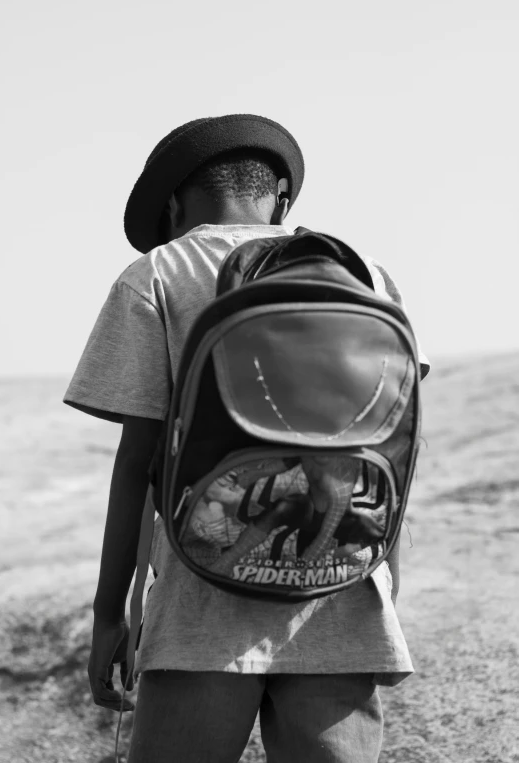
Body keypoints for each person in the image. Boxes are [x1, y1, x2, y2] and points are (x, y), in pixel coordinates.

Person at [64, 114, 430, 763]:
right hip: (340, 593)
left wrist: (108, 618)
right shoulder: (362, 272)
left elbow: (138, 461)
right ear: (282, 199)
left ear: (175, 203)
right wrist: (385, 579)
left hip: (199, 609)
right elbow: (398, 439)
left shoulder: (156, 272)